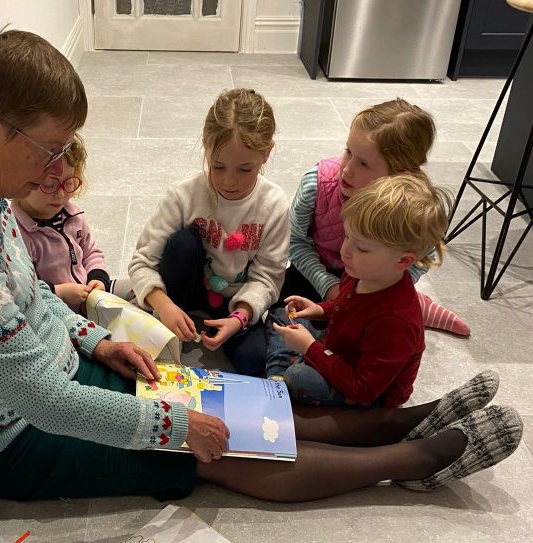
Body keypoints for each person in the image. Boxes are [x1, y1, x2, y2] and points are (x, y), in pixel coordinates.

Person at [0, 29, 521, 504]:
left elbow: (32, 298)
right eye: (48, 149)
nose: (58, 169)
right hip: (14, 437)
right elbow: (40, 400)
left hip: (56, 378)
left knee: (235, 403)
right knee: (218, 445)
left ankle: (406, 419)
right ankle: (414, 458)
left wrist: (98, 342)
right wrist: (175, 428)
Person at [127, 88, 289, 376]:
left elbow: (268, 278)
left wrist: (240, 317)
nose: (229, 181)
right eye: (218, 166)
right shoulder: (183, 195)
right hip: (185, 289)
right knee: (182, 243)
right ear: (206, 147)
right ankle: (174, 314)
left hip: (234, 302)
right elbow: (141, 262)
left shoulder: (274, 204)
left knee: (256, 362)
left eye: (244, 169)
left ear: (266, 153)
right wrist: (164, 305)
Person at [281, 98, 471, 337]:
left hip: (376, 280)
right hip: (317, 272)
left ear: (399, 175)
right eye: (348, 152)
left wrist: (388, 289)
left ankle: (417, 306)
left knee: (372, 331)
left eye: (363, 163)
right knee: (286, 309)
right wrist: (330, 287)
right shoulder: (316, 184)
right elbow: (295, 241)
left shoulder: (414, 206)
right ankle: (412, 305)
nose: (347, 169)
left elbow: (424, 256)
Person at [266, 173, 449, 406]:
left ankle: (280, 378)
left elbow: (364, 389)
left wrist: (310, 348)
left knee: (299, 378)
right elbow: (348, 308)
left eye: (362, 248)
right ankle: (279, 379)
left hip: (367, 395)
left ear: (403, 260)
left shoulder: (394, 322)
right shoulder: (361, 273)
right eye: (347, 236)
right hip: (339, 351)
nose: (345, 251)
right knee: (283, 313)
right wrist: (320, 310)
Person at [11, 134, 110, 314]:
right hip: (57, 314)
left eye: (69, 183)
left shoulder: (73, 216)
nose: (61, 194)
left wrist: (98, 278)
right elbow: (23, 289)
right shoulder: (17, 234)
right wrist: (59, 292)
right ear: (23, 182)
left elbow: (91, 252)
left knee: (135, 290)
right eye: (50, 184)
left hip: (89, 301)